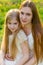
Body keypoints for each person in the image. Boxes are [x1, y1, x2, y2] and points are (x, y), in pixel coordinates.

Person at [19, 0, 43, 65]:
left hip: (36, 60)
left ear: (33, 16)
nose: (24, 17)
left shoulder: (38, 32)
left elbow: (36, 57)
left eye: (28, 14)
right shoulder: (17, 26)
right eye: (22, 13)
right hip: (22, 57)